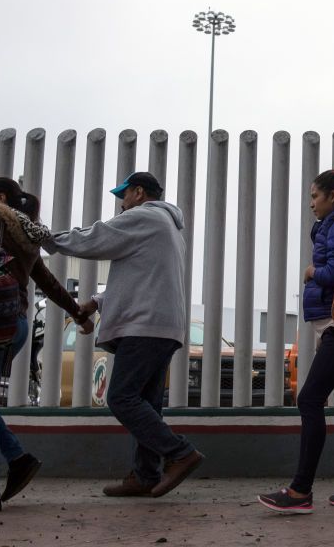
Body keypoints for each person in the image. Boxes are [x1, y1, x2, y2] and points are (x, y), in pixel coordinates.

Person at [42, 171, 204, 498]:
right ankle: (145, 476)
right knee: (146, 403)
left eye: (124, 196)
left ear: (139, 192)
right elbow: (141, 279)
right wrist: (97, 302)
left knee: (121, 397)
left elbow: (96, 238)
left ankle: (180, 452)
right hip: (161, 325)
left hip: (144, 326)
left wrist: (48, 239)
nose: (121, 204)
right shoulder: (168, 227)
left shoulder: (144, 215)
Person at [0, 178, 92, 514]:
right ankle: (18, 458)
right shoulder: (25, 232)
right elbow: (48, 282)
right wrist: (77, 313)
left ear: (0, 197)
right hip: (15, 324)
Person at [258, 163, 334, 514]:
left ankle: (299, 492)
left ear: (332, 196)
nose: (311, 203)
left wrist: (312, 273)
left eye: (315, 196)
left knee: (309, 400)